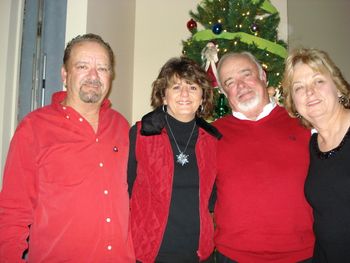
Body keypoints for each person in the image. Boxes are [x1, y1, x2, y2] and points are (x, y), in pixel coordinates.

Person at [0, 33, 135, 262]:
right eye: (83, 66)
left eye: (102, 68)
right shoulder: (34, 128)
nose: (94, 76)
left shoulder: (121, 126)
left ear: (110, 76)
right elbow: (13, 212)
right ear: (65, 73)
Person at [213, 51, 315, 263]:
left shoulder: (306, 124)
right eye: (230, 82)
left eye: (246, 74)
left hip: (302, 254)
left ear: (263, 76)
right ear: (224, 92)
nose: (240, 85)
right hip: (234, 256)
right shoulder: (210, 135)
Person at [127, 56, 222, 263]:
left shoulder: (212, 141)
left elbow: (213, 197)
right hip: (150, 252)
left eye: (193, 87)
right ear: (163, 94)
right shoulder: (141, 134)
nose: (185, 94)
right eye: (176, 87)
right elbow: (126, 188)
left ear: (203, 96)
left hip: (198, 253)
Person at [282, 48, 350, 262]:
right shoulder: (312, 145)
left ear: (338, 88)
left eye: (318, 81)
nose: (309, 92)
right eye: (299, 88)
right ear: (294, 103)